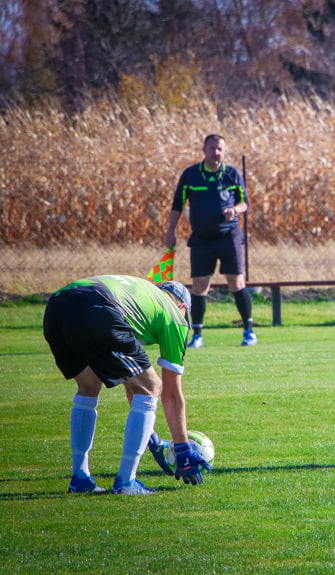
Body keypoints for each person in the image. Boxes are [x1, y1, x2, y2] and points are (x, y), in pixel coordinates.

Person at [43, 275, 212, 494]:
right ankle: (126, 482)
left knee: (89, 385)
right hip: (98, 305)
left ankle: (80, 478)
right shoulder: (174, 315)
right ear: (182, 306)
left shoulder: (142, 300)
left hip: (57, 305)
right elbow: (170, 395)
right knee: (152, 385)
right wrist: (182, 448)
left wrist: (152, 438)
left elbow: (131, 383)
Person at [165, 134, 257, 348]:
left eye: (219, 149)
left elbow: (245, 204)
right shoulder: (190, 175)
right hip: (202, 239)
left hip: (229, 237)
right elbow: (177, 204)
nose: (216, 152)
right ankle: (197, 335)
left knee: (237, 283)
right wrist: (170, 232)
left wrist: (234, 210)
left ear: (224, 151)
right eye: (212, 148)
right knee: (199, 287)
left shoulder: (232, 174)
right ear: (204, 149)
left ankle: (248, 331)